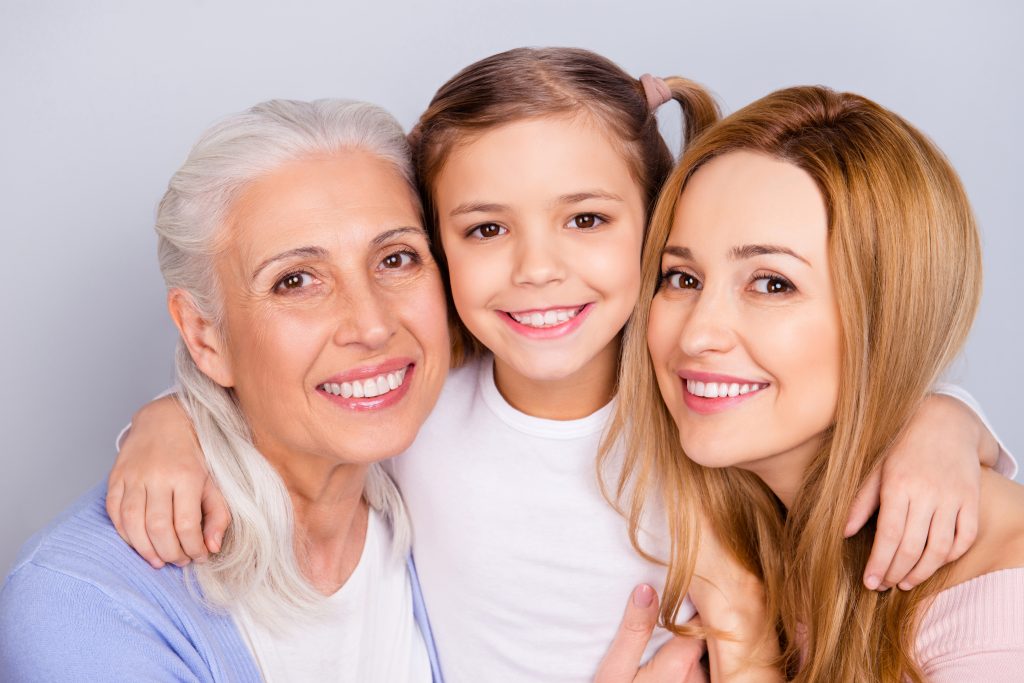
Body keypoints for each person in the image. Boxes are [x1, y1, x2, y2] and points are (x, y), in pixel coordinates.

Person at [103, 49, 1012, 682]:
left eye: (586, 220)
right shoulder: (424, 401)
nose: (537, 269)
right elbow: (314, 383)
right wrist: (174, 420)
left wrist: (942, 419)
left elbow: (861, 381)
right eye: (486, 230)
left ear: (653, 225)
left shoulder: (691, 421)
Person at [0, 99, 449, 682]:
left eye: (396, 258)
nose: (372, 325)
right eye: (295, 281)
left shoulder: (450, 484)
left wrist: (165, 415)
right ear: (204, 335)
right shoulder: (83, 605)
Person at [612, 84, 1024, 680]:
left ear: (887, 320)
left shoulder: (1000, 609)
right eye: (682, 277)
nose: (699, 334)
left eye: (772, 284)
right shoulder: (754, 523)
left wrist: (743, 636)